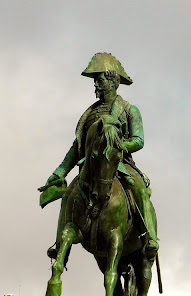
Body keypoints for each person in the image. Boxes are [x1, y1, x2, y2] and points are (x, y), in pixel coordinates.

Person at [43, 52, 159, 259]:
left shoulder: (129, 110)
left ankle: (149, 237)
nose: (95, 85)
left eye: (100, 80)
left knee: (139, 188)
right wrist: (60, 171)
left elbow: (139, 140)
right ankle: (60, 243)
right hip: (90, 165)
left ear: (113, 81)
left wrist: (117, 146)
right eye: (95, 81)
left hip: (119, 161)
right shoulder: (89, 114)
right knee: (69, 194)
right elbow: (76, 147)